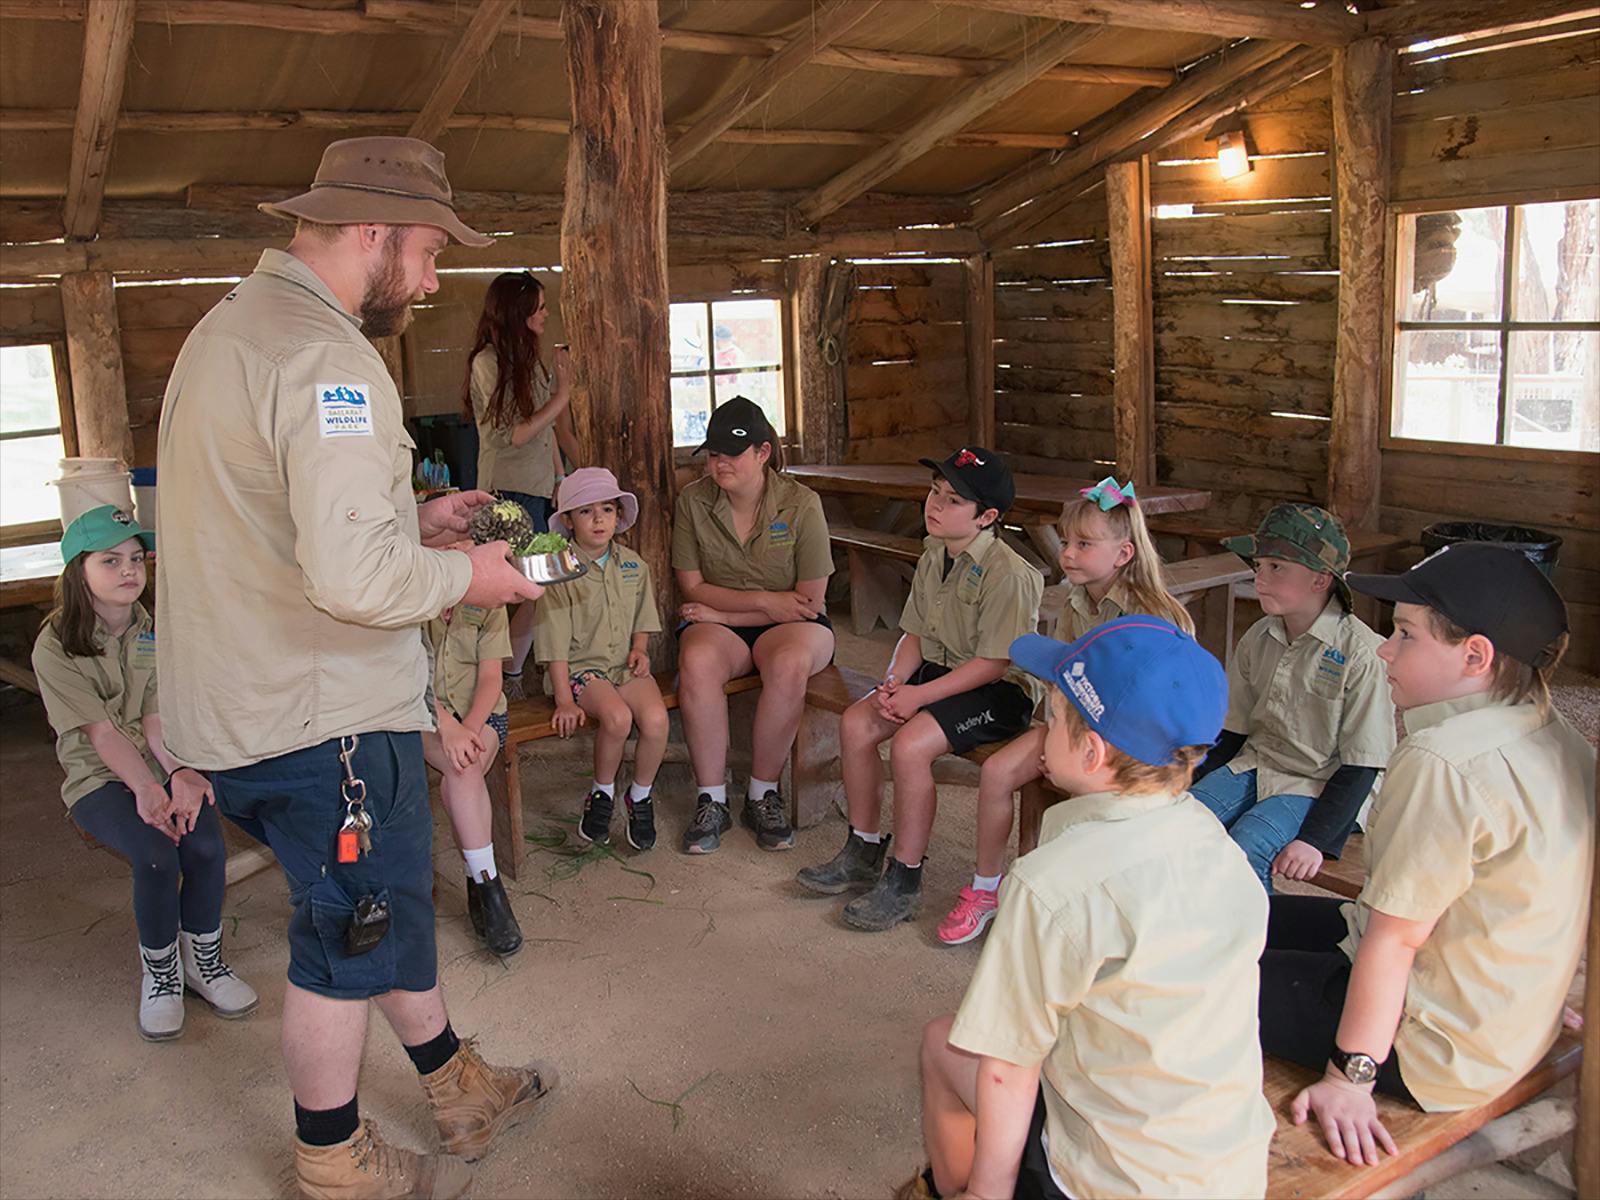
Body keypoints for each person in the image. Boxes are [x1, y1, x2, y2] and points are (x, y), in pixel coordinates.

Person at [156, 136, 554, 1199]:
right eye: (426, 251)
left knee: (369, 908)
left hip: (238, 702)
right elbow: (351, 583)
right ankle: (334, 1162)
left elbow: (268, 515)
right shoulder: (331, 359)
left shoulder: (231, 327)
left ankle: (457, 1081)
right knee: (346, 939)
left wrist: (404, 517)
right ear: (373, 232)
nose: (430, 280)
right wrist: (466, 577)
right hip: (317, 717)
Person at [902, 618, 1274, 1200]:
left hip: (1111, 1180)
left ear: (1092, 751)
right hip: (1227, 1169)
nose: (1041, 731)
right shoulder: (1216, 843)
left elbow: (1006, 1063)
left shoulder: (1052, 884)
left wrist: (989, 1192)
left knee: (942, 1043)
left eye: (1051, 718)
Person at [1259, 543, 1593, 1166]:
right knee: (1244, 919)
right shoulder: (1560, 736)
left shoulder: (1444, 760)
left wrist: (1348, 1079)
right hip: (1500, 1022)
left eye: (1406, 635)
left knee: (1197, 976)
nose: (1384, 648)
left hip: (1430, 1050)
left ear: (1475, 656)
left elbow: (1397, 939)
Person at [32, 505, 257, 1042]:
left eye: (136, 558)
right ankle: (161, 975)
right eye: (110, 560)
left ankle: (203, 963)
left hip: (157, 763)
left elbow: (155, 719)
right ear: (77, 572)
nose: (130, 570)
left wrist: (180, 772)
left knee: (204, 846)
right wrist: (147, 789)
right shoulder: (54, 646)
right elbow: (103, 735)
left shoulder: (150, 628)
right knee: (157, 856)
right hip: (100, 777)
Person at [938, 476, 1195, 945]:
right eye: (1066, 541)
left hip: (1136, 746)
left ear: (1124, 554)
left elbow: (1162, 710)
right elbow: (1064, 679)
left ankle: (1075, 901)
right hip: (1077, 724)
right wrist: (1055, 736)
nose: (1068, 553)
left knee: (1084, 802)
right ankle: (986, 889)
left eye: (1083, 543)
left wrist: (1075, 753)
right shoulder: (1077, 601)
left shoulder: (1157, 617)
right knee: (998, 772)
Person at [797, 448, 1042, 933]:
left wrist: (919, 698)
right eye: (934, 492)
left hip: (998, 691)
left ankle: (905, 879)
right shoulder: (935, 553)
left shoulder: (1009, 574)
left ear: (987, 517)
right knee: (857, 722)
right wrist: (895, 681)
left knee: (910, 747)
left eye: (953, 500)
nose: (935, 505)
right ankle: (862, 849)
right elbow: (913, 632)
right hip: (938, 671)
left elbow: (994, 663)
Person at [1189, 504, 1396, 891]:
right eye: (1259, 565)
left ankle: (1259, 949)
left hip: (1322, 785)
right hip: (1258, 763)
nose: (1260, 577)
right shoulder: (1259, 637)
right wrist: (1185, 780)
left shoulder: (1363, 656)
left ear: (1320, 580)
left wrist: (1315, 840)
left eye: (1276, 567)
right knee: (1181, 822)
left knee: (1249, 845)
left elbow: (1362, 765)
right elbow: (1232, 731)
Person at [672, 396, 835, 855]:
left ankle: (762, 793)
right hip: (730, 620)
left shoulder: (802, 504)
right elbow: (693, 587)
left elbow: (809, 602)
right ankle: (712, 797)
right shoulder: (693, 501)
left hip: (794, 623)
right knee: (698, 659)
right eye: (714, 453)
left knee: (787, 664)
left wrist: (727, 614)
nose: (720, 464)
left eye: (733, 454)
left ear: (763, 453)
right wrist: (764, 601)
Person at [535, 467, 668, 852]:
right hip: (580, 670)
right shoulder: (558, 570)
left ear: (618, 516)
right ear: (568, 521)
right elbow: (554, 642)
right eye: (586, 511)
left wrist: (640, 650)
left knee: (657, 720)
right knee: (618, 718)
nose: (598, 519)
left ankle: (639, 796)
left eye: (607, 510)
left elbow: (642, 618)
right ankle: (602, 793)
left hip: (624, 666)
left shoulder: (633, 565)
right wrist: (563, 699)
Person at [464, 270, 580, 699]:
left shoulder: (528, 359)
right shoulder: (488, 362)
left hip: (536, 486)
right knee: (517, 587)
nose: (547, 314)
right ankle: (499, 674)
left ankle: (510, 670)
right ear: (519, 311)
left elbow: (545, 431)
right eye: (541, 307)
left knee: (541, 583)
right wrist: (562, 396)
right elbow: (514, 434)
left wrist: (559, 476)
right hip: (506, 491)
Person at [420, 598, 523, 958]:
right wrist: (448, 726)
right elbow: (408, 677)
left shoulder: (488, 602)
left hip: (482, 718)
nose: (452, 548)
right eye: (441, 539)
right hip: (424, 717)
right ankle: (488, 886)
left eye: (461, 539)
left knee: (463, 769)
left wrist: (469, 729)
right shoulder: (411, 596)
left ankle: (479, 879)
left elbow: (492, 679)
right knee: (463, 769)